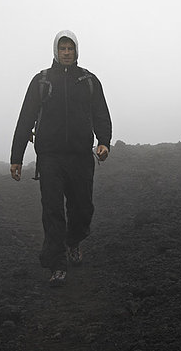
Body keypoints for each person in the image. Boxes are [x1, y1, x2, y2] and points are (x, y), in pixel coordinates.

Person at [10, 30, 112, 287]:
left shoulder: (88, 80)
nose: (66, 53)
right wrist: (16, 157)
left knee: (82, 208)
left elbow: (101, 114)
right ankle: (56, 264)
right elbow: (25, 119)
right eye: (62, 49)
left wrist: (103, 142)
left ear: (76, 51)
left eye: (70, 49)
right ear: (56, 51)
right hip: (50, 157)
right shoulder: (42, 81)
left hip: (80, 155)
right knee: (52, 210)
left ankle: (74, 241)